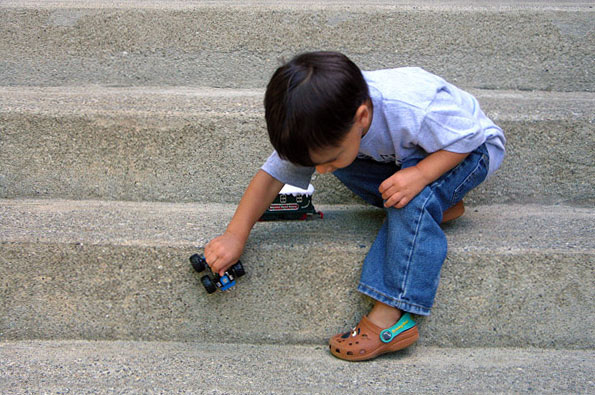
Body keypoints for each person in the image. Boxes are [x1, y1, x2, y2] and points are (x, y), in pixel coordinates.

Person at [204, 51, 506, 361]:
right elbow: (271, 177)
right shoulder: (328, 120)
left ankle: (392, 314)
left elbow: (470, 137)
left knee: (409, 197)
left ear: (361, 117)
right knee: (347, 165)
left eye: (326, 159)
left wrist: (420, 175)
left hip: (466, 152)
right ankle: (434, 209)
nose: (320, 172)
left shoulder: (410, 106)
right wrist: (235, 235)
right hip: (411, 159)